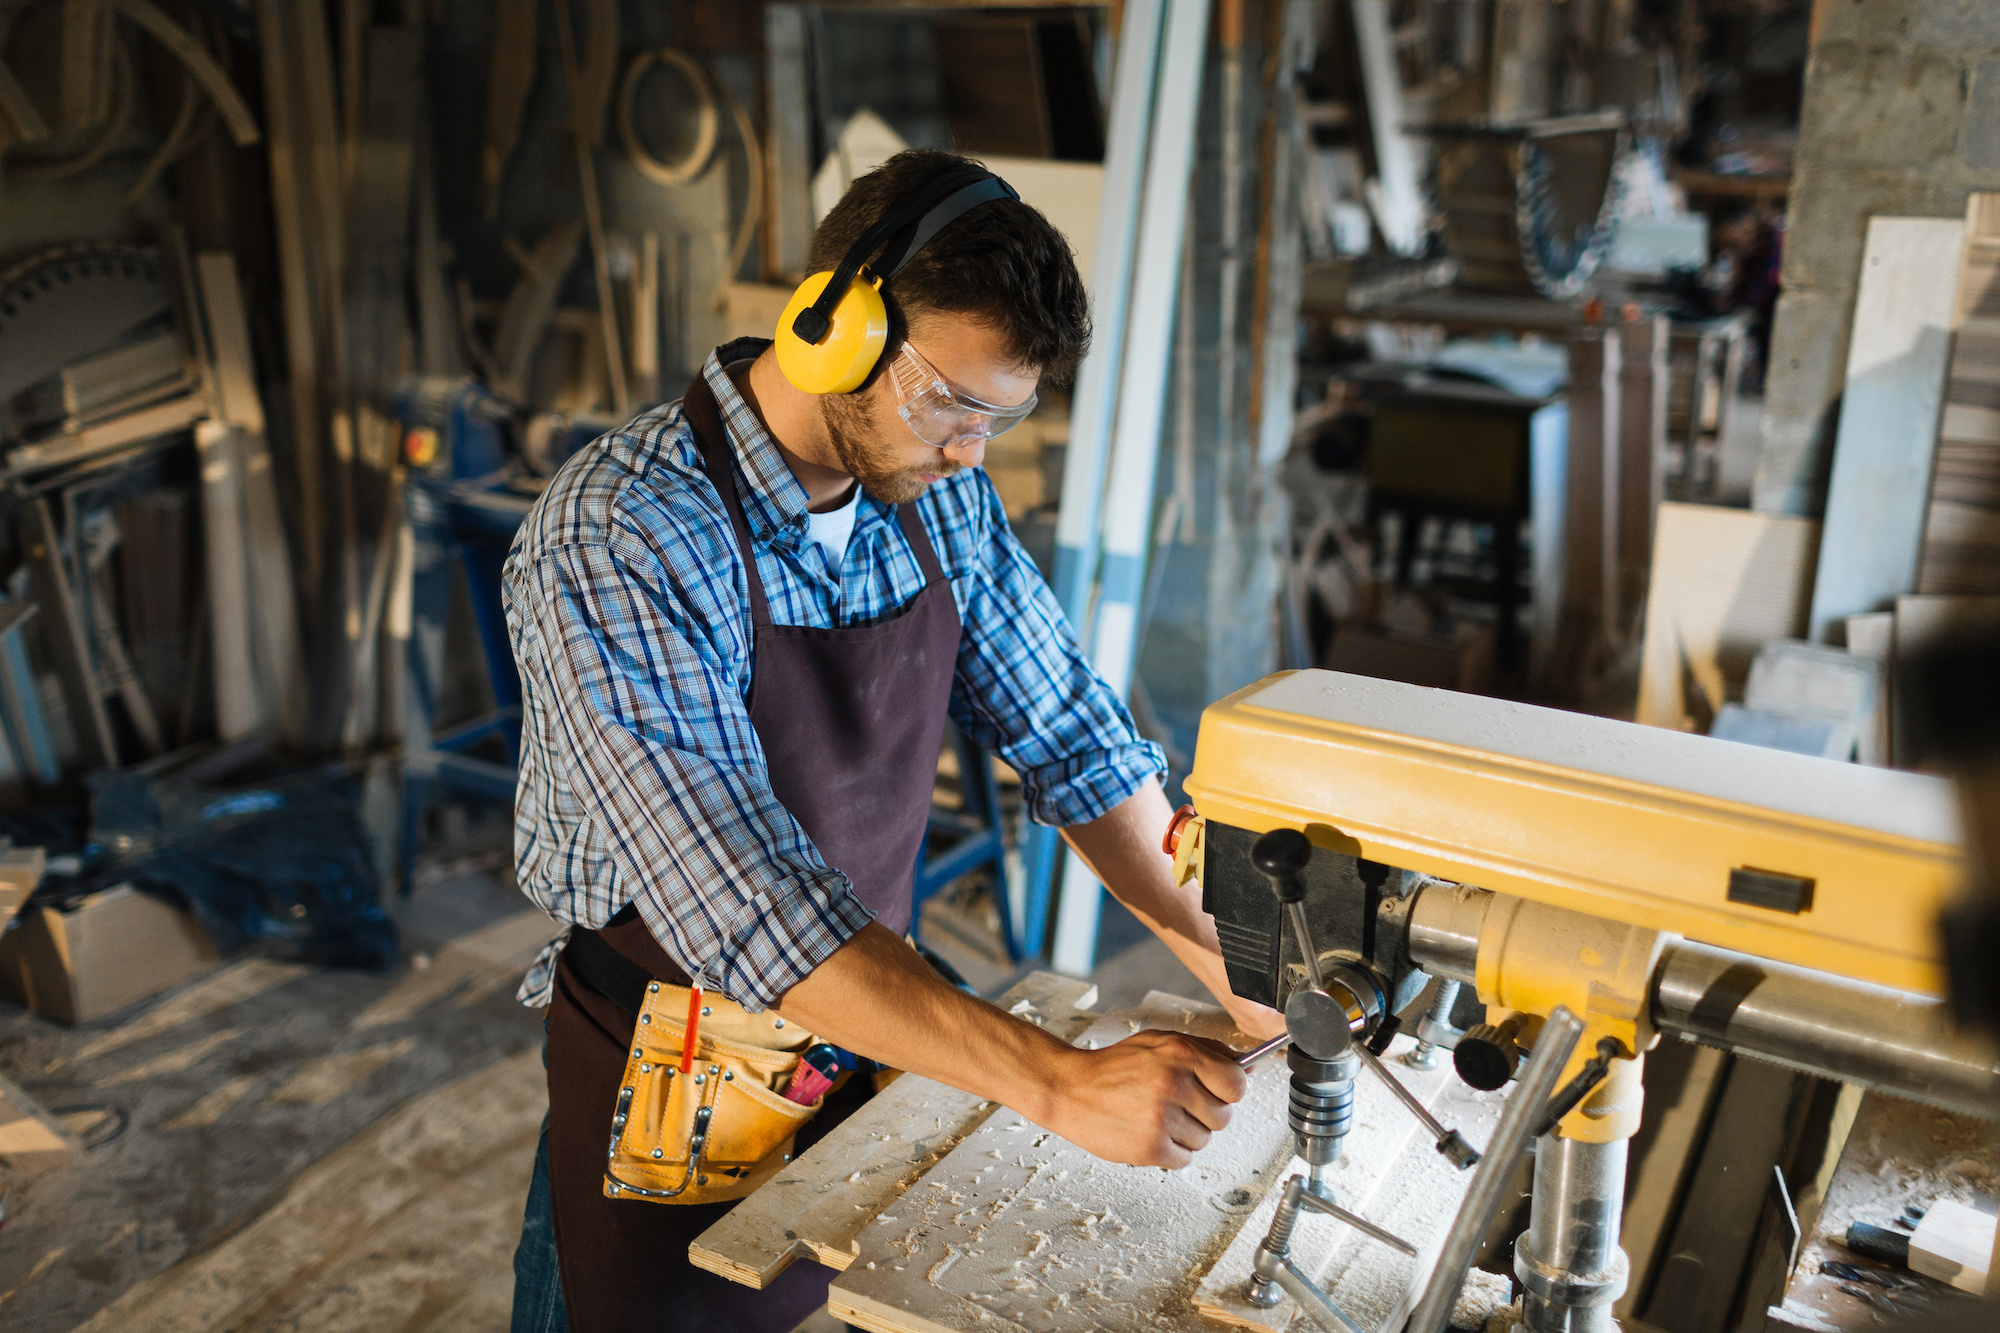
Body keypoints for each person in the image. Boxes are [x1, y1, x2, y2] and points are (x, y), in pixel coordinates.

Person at [503, 148, 1286, 1333]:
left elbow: (1073, 735)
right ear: (833, 329)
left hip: (867, 1024)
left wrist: (1241, 970)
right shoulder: (622, 534)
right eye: (951, 405)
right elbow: (746, 908)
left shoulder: (935, 497)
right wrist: (1056, 1084)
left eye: (1000, 417)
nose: (972, 452)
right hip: (671, 1064)